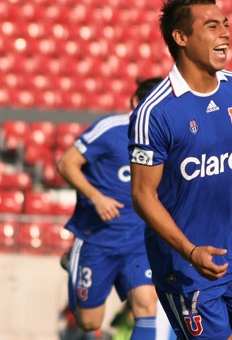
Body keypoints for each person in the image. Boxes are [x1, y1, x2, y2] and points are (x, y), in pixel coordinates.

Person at [127, 1, 232, 339]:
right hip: (186, 266)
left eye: (225, 24)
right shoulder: (155, 113)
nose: (226, 33)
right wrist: (190, 250)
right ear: (181, 37)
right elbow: (143, 196)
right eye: (212, 26)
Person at [57, 77, 163, 340]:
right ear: (134, 102)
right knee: (88, 321)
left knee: (147, 306)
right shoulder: (110, 128)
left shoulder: (166, 137)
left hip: (138, 239)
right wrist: (97, 198)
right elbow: (66, 163)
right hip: (97, 237)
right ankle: (74, 262)